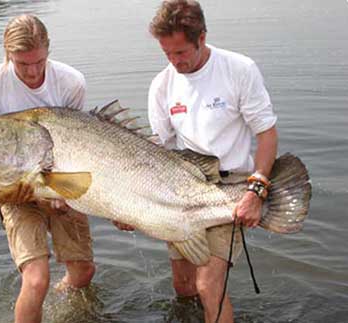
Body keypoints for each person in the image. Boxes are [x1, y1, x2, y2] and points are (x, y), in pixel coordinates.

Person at [114, 1, 278, 322]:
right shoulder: (162, 85)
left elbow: (267, 135)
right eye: (167, 54)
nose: (175, 62)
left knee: (207, 284)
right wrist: (129, 204)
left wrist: (256, 190)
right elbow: (157, 152)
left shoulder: (239, 69)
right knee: (184, 285)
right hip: (181, 189)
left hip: (231, 189)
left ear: (202, 38)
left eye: (181, 53)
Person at [0, 14, 95, 323]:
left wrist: (60, 196)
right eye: (22, 64)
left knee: (83, 271)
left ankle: (57, 307)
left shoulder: (71, 82)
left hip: (61, 181)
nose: (33, 71)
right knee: (36, 278)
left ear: (48, 50)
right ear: (7, 55)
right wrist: (8, 193)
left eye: (39, 62)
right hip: (14, 188)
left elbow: (79, 145)